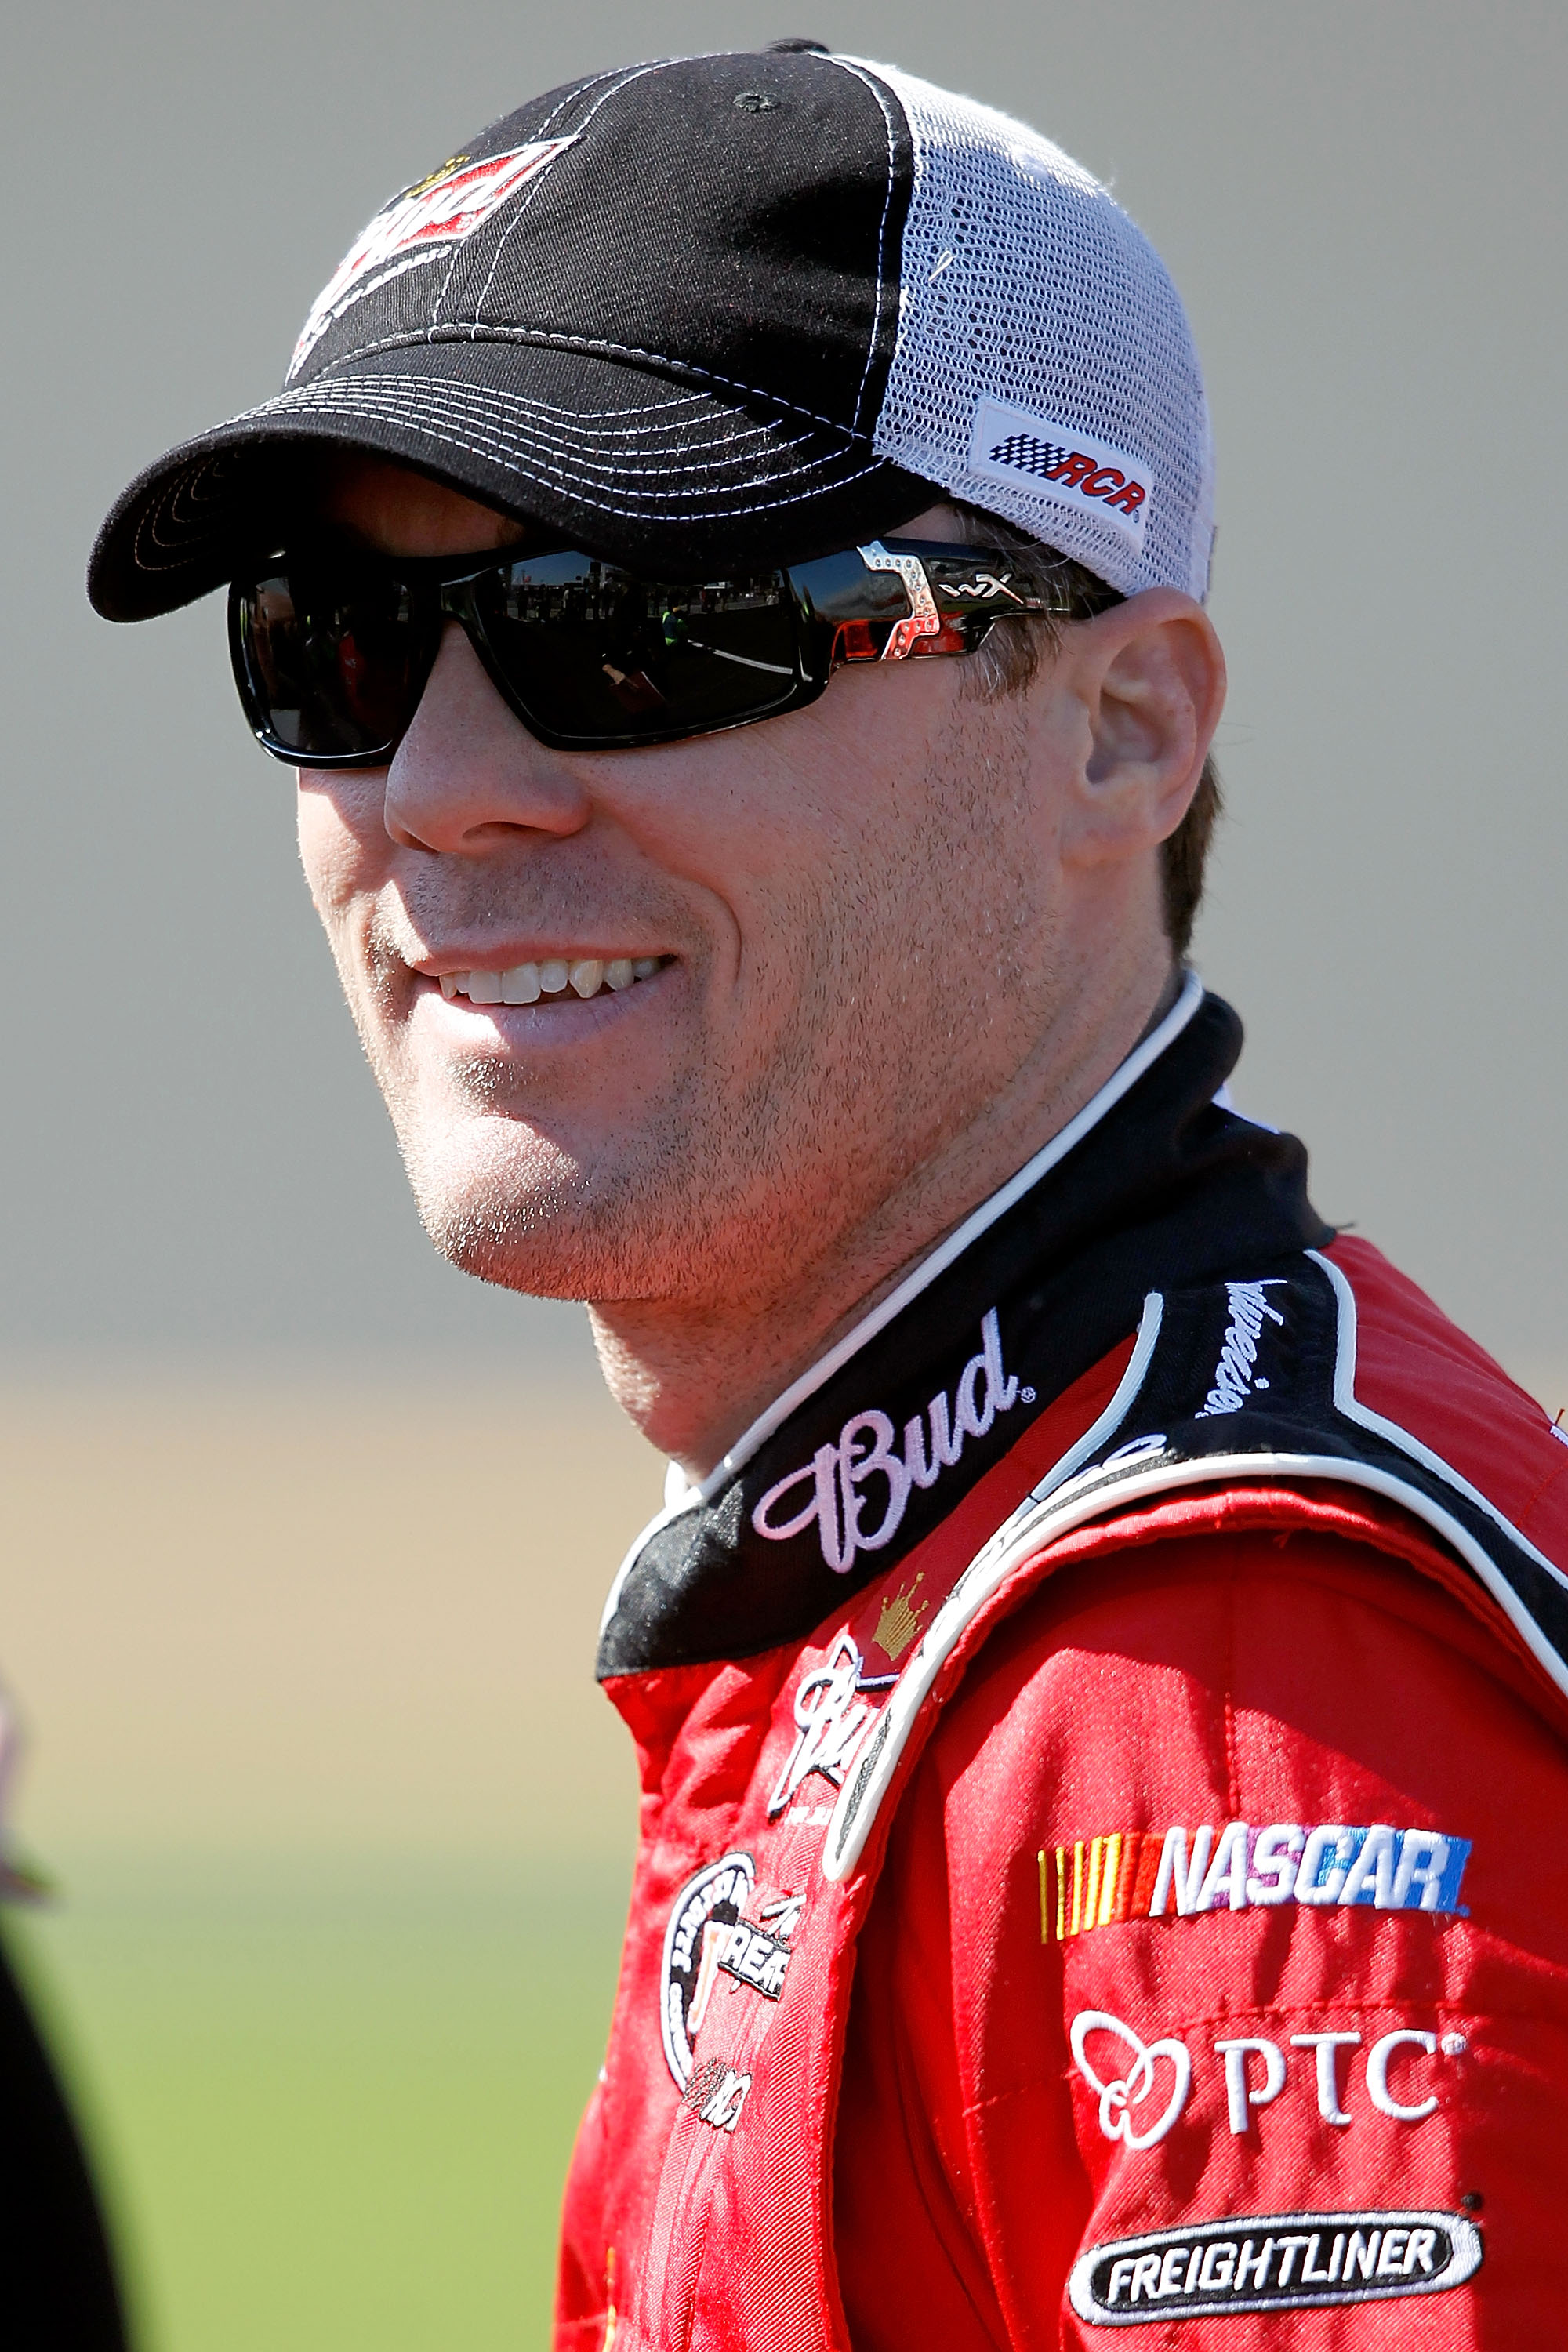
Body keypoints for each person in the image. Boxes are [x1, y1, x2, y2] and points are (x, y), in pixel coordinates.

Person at [90, 42, 1568, 2347]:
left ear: (1120, 724)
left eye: (637, 622)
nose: (446, 785)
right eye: (336, 647)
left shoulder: (1213, 1707)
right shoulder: (909, 1585)